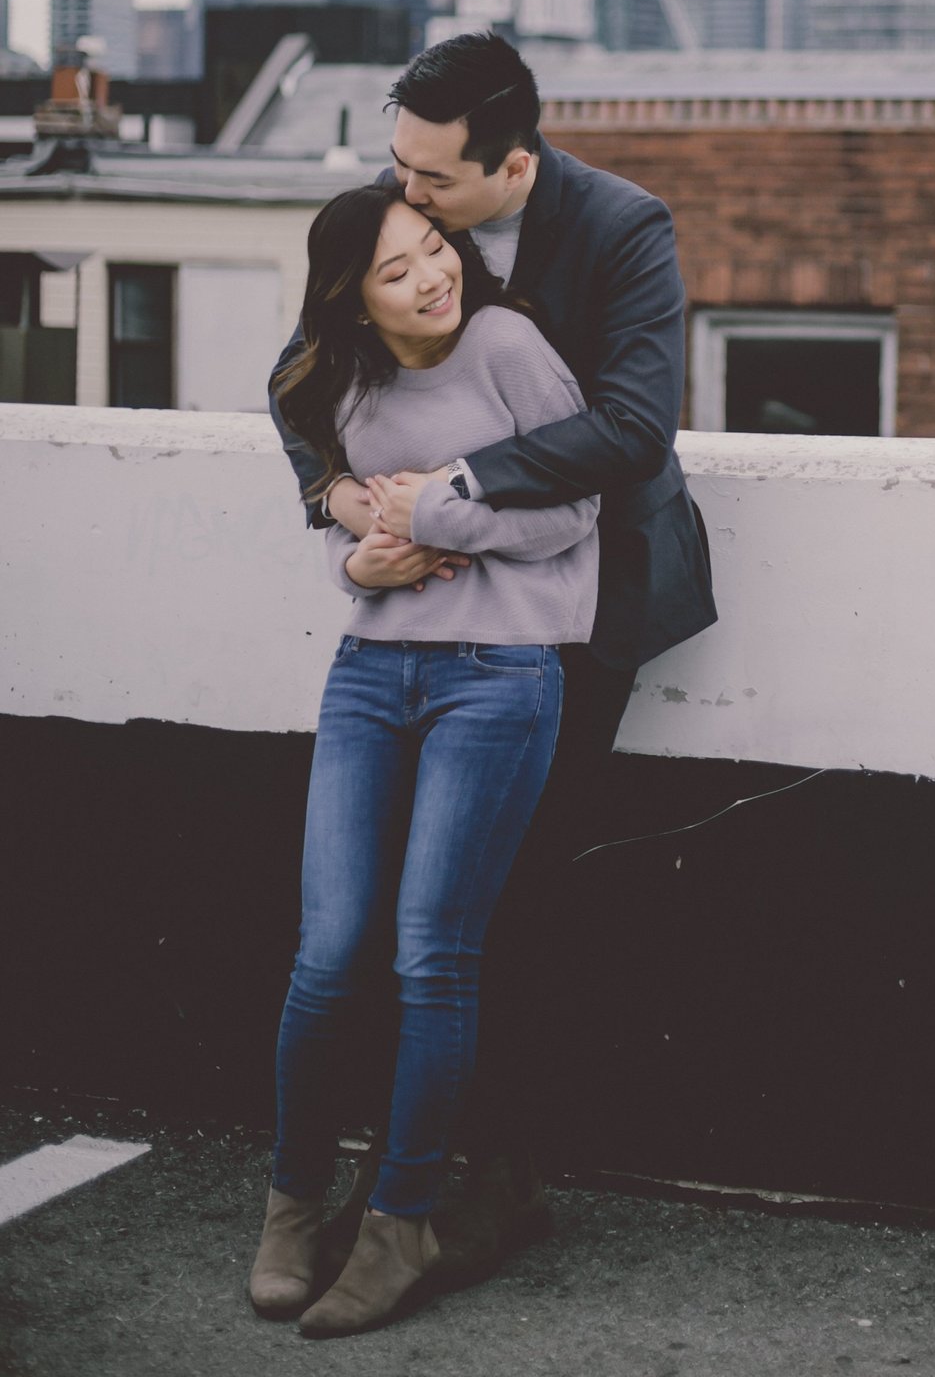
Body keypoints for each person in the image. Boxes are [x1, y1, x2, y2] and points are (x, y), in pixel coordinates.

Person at [268, 30, 716, 1285]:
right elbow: (300, 374)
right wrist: (348, 504)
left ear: (511, 167)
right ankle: (408, 1169)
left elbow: (629, 427)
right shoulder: (398, 224)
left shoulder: (623, 227)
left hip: (585, 606)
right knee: (399, 920)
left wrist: (441, 495)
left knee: (502, 904)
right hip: (413, 627)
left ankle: (488, 1180)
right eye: (397, 167)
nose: (404, 198)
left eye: (431, 186)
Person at [252, 184, 600, 1337]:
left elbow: (573, 506)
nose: (432, 276)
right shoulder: (334, 376)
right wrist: (363, 562)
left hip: (499, 675)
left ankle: (401, 1219)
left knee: (428, 956)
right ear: (353, 299)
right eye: (397, 271)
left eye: (434, 248)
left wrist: (433, 515)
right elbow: (337, 505)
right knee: (328, 952)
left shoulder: (506, 345)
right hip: (369, 672)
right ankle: (296, 1204)